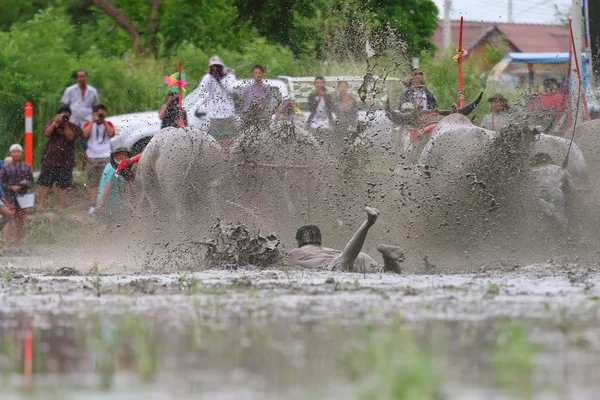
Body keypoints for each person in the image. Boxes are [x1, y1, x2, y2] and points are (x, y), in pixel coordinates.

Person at [285, 207, 404, 273]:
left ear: (299, 241)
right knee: (386, 273)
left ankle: (368, 223)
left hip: (339, 263)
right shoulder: (326, 250)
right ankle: (388, 260)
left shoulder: (294, 253)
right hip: (359, 257)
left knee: (344, 264)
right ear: (319, 240)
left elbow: (276, 265)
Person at [37, 105, 81, 214]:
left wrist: (65, 124)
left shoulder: (74, 127)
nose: (64, 116)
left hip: (66, 161)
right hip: (49, 160)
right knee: (45, 184)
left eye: (66, 114)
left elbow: (71, 137)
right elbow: (46, 133)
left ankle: (60, 208)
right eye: (62, 114)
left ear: (70, 116)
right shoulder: (53, 123)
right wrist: (54, 123)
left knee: (63, 185)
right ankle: (40, 207)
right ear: (57, 115)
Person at [61, 70, 100, 169]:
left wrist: (94, 118)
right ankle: (68, 165)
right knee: (68, 144)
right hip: (72, 121)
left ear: (86, 77)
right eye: (79, 77)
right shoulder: (70, 90)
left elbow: (96, 106)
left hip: (86, 122)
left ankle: (84, 168)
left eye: (83, 76)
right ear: (76, 78)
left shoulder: (92, 91)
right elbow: (65, 105)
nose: (82, 78)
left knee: (86, 146)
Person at [82, 104, 115, 215]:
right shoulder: (89, 124)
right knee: (93, 182)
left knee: (106, 181)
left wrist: (104, 122)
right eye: (98, 113)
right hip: (92, 156)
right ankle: (93, 204)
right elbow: (85, 134)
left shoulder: (108, 124)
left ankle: (104, 204)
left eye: (102, 113)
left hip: (105, 155)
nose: (101, 115)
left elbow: (111, 133)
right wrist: (93, 121)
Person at [93, 145, 134, 232]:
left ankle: (98, 242)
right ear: (116, 156)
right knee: (132, 217)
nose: (126, 157)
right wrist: (101, 204)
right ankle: (121, 236)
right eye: (123, 155)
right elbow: (108, 185)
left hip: (105, 202)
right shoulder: (115, 169)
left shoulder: (110, 165)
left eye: (126, 155)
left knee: (104, 224)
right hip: (112, 203)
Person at [528, 153, 575, 228]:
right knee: (561, 222)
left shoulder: (531, 171)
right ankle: (558, 220)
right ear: (549, 160)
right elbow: (572, 189)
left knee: (537, 223)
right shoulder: (561, 169)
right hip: (555, 194)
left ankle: (546, 209)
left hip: (536, 195)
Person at [0, 144, 34, 246]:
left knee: (21, 220)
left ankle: (19, 243)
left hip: (23, 196)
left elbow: (32, 183)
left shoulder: (27, 167)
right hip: (9, 196)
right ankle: (7, 243)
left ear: (21, 153)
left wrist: (26, 183)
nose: (16, 154)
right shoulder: (5, 167)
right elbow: (1, 182)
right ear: (11, 153)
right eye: (14, 152)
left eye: (18, 151)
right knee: (9, 219)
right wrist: (11, 187)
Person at [198, 56, 237, 144]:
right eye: (213, 66)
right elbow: (202, 89)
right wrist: (210, 75)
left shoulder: (228, 76)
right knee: (216, 140)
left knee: (230, 139)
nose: (216, 69)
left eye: (217, 66)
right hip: (214, 115)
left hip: (228, 114)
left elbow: (231, 89)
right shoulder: (209, 78)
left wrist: (222, 77)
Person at [241, 64, 274, 129]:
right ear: (253, 75)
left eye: (259, 73)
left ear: (263, 74)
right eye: (256, 73)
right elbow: (244, 106)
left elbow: (269, 104)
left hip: (263, 119)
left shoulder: (267, 89)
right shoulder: (247, 90)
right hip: (249, 120)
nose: (258, 75)